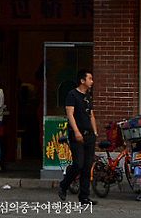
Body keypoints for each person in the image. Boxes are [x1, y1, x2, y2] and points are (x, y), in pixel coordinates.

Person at [57, 69, 98, 206]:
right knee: (78, 164)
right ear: (82, 80)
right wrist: (76, 131)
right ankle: (64, 185)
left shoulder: (88, 96)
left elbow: (91, 115)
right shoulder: (72, 95)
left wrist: (95, 131)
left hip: (89, 135)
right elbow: (70, 114)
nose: (92, 81)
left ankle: (84, 197)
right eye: (89, 79)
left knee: (87, 166)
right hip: (77, 134)